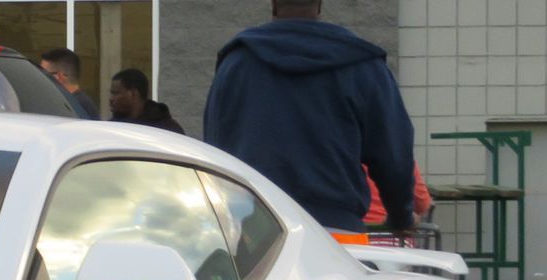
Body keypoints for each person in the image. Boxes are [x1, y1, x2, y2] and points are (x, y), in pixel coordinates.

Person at [203, 0, 415, 233]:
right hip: (336, 229)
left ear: (274, 4)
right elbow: (394, 155)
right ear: (320, 5)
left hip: (256, 230)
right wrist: (400, 216)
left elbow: (215, 151)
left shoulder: (236, 64)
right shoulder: (362, 64)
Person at [107, 68, 185, 134]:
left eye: (116, 93)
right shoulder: (112, 128)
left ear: (134, 94)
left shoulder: (167, 130)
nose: (110, 99)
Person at [39, 48, 101, 119]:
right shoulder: (79, 104)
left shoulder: (71, 108)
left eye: (44, 74)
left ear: (60, 77)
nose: (40, 78)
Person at [366, 162, 432, 227]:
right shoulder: (398, 155)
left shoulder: (356, 156)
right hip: (394, 231)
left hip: (359, 231)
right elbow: (422, 204)